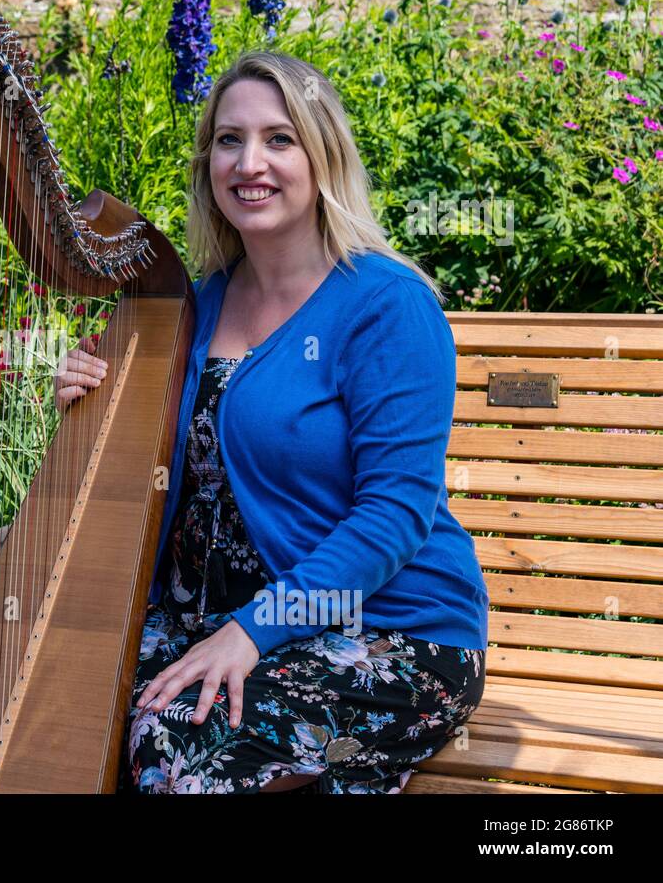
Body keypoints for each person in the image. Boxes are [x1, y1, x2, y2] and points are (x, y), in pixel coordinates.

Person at [53, 51, 489, 794]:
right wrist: (80, 401)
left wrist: (252, 630)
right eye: (230, 139)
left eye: (279, 139)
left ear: (323, 156)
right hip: (207, 619)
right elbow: (150, 479)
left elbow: (395, 515)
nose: (250, 162)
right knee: (64, 701)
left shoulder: (387, 307)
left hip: (387, 629)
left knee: (178, 744)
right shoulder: (192, 307)